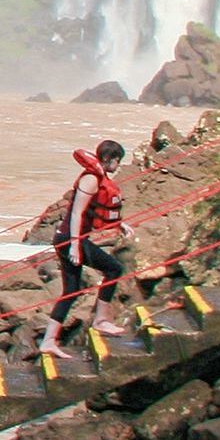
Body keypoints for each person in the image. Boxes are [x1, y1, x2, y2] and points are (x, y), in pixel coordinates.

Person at [40, 142, 133, 360]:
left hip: (72, 239)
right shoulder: (90, 179)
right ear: (109, 159)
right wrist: (74, 246)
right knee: (113, 269)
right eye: (117, 160)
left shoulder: (99, 179)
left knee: (71, 290)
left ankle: (48, 341)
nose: (118, 165)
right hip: (69, 239)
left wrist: (120, 225)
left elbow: (98, 209)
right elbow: (76, 214)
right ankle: (101, 321)